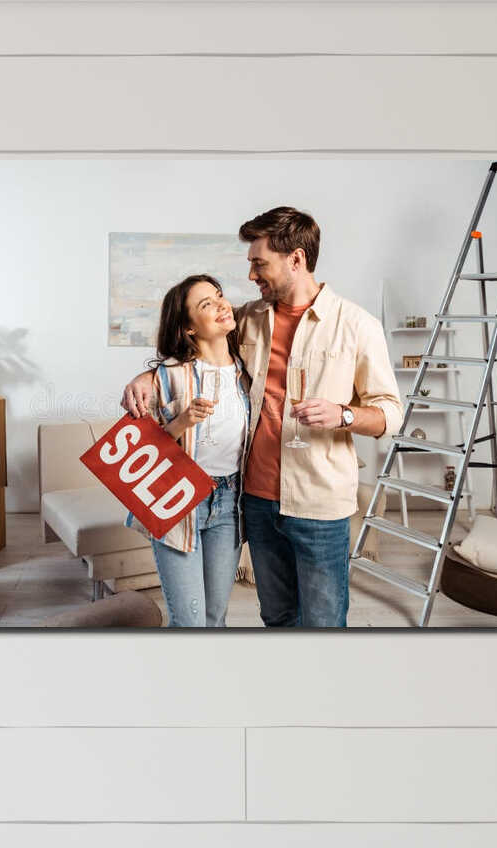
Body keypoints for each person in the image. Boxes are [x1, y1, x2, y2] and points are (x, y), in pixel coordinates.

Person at [123, 207, 400, 628]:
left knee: (325, 621)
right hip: (254, 501)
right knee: (278, 617)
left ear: (296, 259)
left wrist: (342, 414)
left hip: (319, 503)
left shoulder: (358, 325)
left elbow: (391, 415)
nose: (251, 275)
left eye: (259, 263)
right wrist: (149, 376)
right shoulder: (249, 317)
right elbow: (193, 346)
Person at [138, 274, 252, 628]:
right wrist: (179, 424)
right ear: (188, 327)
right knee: (189, 623)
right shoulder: (168, 375)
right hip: (178, 501)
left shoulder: (248, 372)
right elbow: (138, 452)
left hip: (230, 502)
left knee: (214, 618)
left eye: (219, 296)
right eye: (206, 304)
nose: (221, 304)